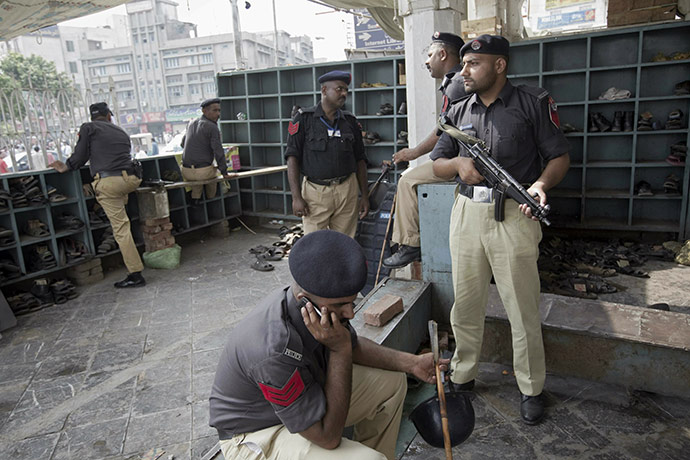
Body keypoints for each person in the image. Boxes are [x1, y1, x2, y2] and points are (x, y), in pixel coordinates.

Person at [209, 229, 447, 460]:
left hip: (297, 405)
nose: (350, 313)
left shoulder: (315, 303)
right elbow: (327, 437)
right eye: (341, 305)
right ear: (305, 301)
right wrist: (339, 350)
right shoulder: (274, 348)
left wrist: (412, 363)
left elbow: (352, 345)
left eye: (352, 302)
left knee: (391, 383)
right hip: (256, 434)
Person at [430, 35, 570, 424]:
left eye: (473, 63)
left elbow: (559, 156)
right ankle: (464, 374)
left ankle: (530, 386)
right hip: (467, 214)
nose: (464, 71)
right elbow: (437, 162)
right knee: (467, 303)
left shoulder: (532, 103)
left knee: (522, 308)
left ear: (499, 66)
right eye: (463, 64)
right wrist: (458, 166)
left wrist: (540, 185)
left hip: (515, 214)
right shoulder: (458, 109)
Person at [384, 32, 466, 269]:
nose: (427, 61)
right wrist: (414, 152)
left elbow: (443, 130)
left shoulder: (456, 84)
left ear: (443, 54)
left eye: (430, 55)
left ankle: (410, 244)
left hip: (459, 160)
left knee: (407, 180)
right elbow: (444, 128)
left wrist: (413, 153)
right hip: (457, 157)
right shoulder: (457, 81)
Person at [49, 102, 146, 288]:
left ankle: (135, 274)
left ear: (92, 116)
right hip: (131, 179)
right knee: (125, 214)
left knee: (121, 229)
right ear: (109, 115)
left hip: (109, 182)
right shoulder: (120, 131)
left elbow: (80, 155)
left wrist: (66, 166)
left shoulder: (89, 127)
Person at [285, 70, 369, 238]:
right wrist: (296, 197)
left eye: (346, 90)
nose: (344, 93)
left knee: (345, 242)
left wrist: (364, 196)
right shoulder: (303, 119)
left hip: (347, 190)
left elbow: (360, 160)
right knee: (315, 244)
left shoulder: (350, 122)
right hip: (316, 193)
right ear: (324, 90)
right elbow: (292, 158)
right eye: (339, 89)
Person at [180, 98, 230, 203]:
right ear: (204, 111)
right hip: (202, 173)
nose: (218, 114)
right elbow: (218, 151)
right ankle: (212, 200)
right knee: (213, 176)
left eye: (219, 110)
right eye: (215, 110)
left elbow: (182, 144)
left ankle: (196, 200)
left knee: (198, 181)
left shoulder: (191, 123)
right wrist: (224, 172)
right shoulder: (212, 127)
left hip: (185, 171)